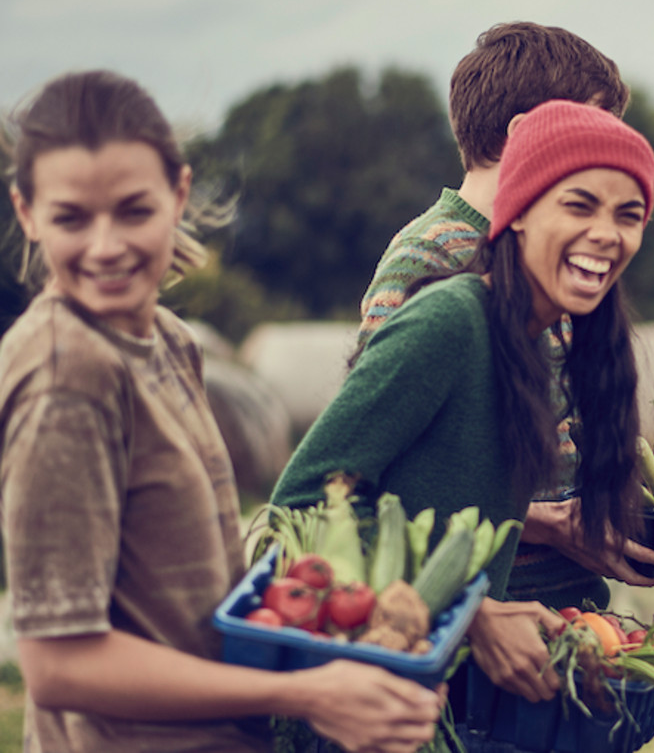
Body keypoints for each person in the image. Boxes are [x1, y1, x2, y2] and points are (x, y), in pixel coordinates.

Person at [0, 70, 443, 753]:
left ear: (178, 194)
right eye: (71, 218)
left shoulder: (169, 341)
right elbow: (58, 665)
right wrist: (301, 692)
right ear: (26, 212)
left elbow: (181, 598)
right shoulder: (68, 376)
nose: (106, 245)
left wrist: (352, 660)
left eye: (133, 210)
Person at [270, 99, 654, 706]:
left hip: (440, 691)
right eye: (579, 205)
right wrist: (471, 612)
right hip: (381, 698)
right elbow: (302, 501)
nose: (607, 232)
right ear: (521, 210)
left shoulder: (540, 340)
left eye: (627, 215)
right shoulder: (450, 320)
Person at [356, 21, 654, 609]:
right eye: (591, 130)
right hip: (478, 603)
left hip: (567, 596)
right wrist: (542, 521)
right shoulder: (431, 255)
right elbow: (393, 469)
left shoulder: (558, 259)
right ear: (527, 133)